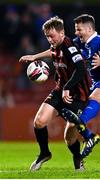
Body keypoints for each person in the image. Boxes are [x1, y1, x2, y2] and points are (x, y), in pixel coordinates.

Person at [19, 16, 91, 171]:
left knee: (69, 137)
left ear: (62, 33)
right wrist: (34, 57)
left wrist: (68, 87)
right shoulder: (55, 45)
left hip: (78, 95)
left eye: (51, 36)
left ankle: (78, 159)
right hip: (60, 90)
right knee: (39, 121)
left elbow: (80, 69)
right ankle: (44, 153)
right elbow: (51, 51)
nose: (49, 39)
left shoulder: (69, 46)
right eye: (47, 36)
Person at [62, 14, 100, 159]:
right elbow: (59, 50)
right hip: (95, 84)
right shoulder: (79, 42)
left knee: (94, 97)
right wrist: (35, 57)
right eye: (76, 30)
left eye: (79, 29)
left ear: (89, 29)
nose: (76, 33)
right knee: (71, 124)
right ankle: (82, 153)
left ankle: (84, 129)